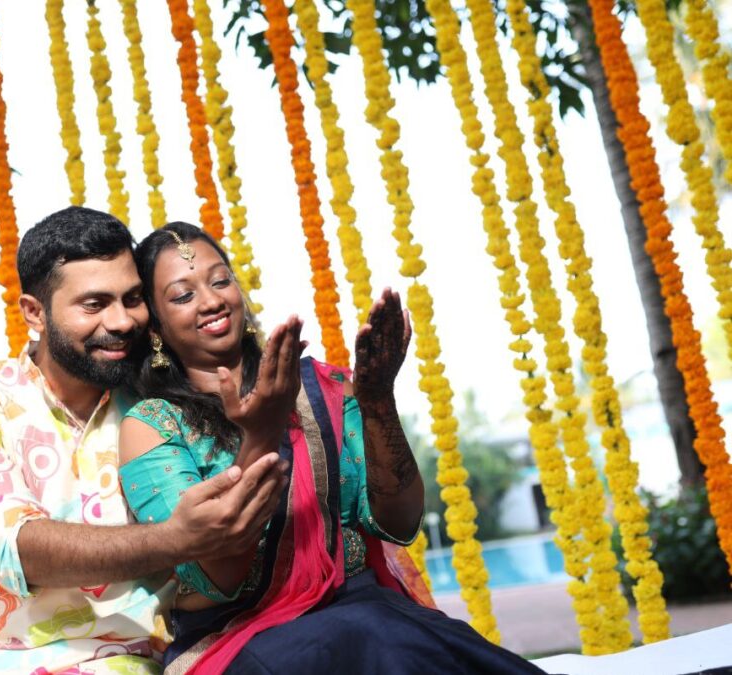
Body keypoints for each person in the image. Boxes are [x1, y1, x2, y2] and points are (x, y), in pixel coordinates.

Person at [118, 222, 546, 674]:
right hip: (240, 638)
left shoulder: (323, 387)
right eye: (183, 295)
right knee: (375, 640)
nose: (211, 301)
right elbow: (220, 576)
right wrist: (260, 437)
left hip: (368, 611)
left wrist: (378, 400)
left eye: (220, 280)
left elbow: (399, 525)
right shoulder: (152, 426)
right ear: (158, 327)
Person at [0, 207, 289, 674]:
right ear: (34, 312)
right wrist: (174, 539)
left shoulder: (162, 404)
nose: (124, 321)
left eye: (132, 299)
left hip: (134, 660)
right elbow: (21, 550)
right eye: (94, 305)